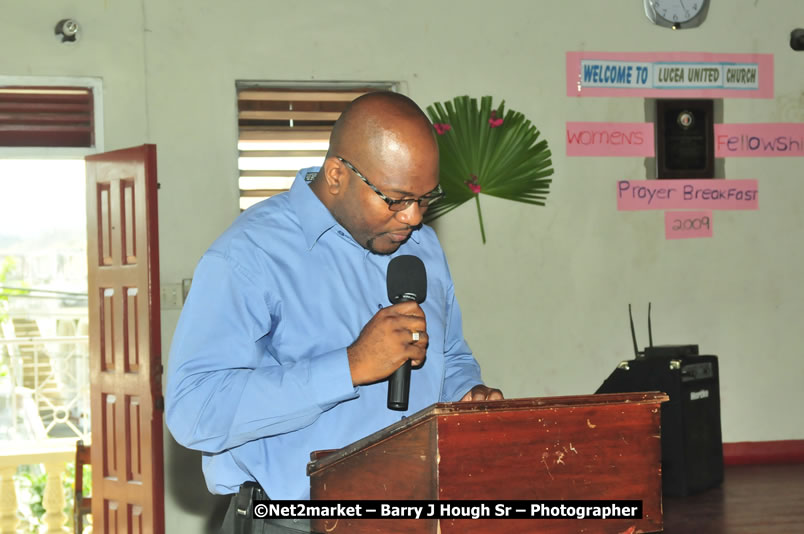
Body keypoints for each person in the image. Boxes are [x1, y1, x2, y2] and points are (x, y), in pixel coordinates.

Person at [165, 91, 503, 533]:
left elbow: (451, 355)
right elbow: (194, 411)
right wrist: (349, 367)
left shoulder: (423, 249)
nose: (415, 218)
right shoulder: (249, 256)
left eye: (426, 198)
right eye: (397, 199)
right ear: (337, 175)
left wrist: (466, 394)